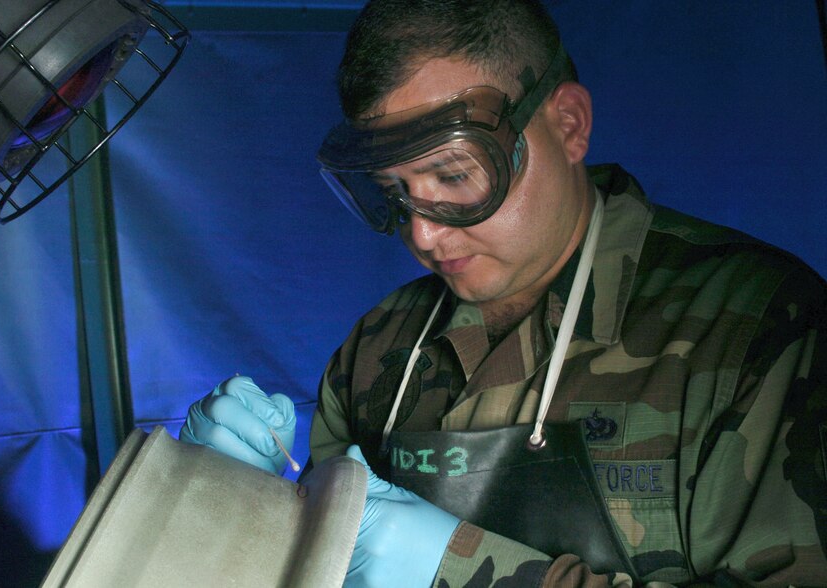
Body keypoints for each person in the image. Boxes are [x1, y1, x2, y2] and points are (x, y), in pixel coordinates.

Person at [180, 1, 827, 586]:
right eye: (396, 193)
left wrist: (472, 573)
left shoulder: (759, 332)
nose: (424, 234)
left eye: (454, 175)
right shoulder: (382, 346)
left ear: (568, 124)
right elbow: (305, 559)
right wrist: (242, 504)